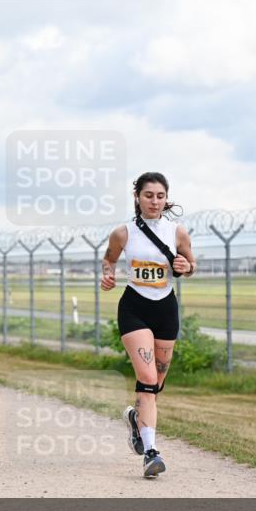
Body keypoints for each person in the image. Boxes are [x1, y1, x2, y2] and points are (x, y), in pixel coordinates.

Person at [100, 172, 197, 478]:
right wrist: (108, 274)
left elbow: (190, 265)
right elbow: (109, 258)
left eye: (159, 196)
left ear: (166, 198)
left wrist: (186, 266)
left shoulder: (177, 232)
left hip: (166, 308)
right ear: (137, 197)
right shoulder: (123, 233)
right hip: (134, 307)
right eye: (148, 195)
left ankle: (135, 419)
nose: (154, 201)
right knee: (146, 375)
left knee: (156, 384)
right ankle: (151, 453)